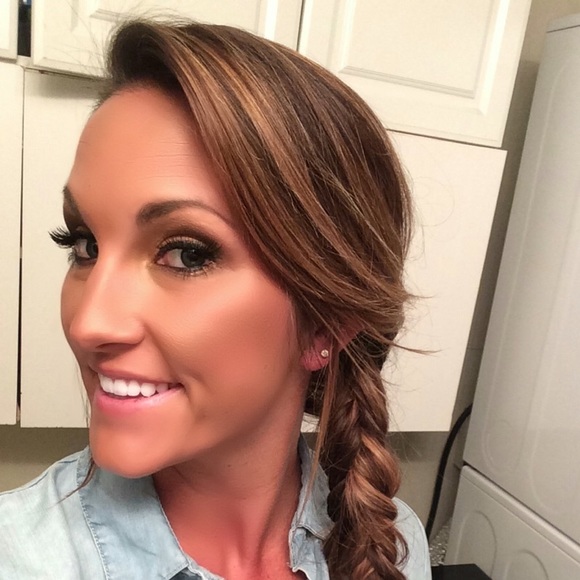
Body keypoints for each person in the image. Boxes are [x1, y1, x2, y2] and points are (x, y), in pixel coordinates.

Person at [0, 19, 431, 580]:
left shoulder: (392, 544)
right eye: (85, 245)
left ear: (327, 321)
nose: (88, 323)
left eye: (185, 254)